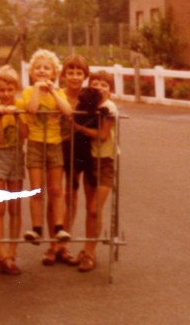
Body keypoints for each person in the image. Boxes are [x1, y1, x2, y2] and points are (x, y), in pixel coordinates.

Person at [19, 49, 73, 266]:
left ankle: (59, 228)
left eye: (46, 68)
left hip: (54, 144)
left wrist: (52, 93)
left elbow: (67, 111)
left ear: (53, 73)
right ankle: (37, 227)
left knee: (56, 189)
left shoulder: (57, 91)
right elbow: (31, 110)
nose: (42, 71)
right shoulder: (27, 92)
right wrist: (36, 91)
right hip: (35, 144)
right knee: (37, 189)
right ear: (32, 72)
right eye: (38, 68)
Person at [73, 70, 119, 273]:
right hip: (91, 161)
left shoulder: (108, 108)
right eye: (96, 83)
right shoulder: (90, 105)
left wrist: (77, 127)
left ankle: (91, 251)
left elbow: (102, 135)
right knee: (91, 210)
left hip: (105, 163)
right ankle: (87, 250)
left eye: (104, 85)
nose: (99, 87)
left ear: (110, 90)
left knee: (94, 208)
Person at [0, 65, 26, 275]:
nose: (5, 94)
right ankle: (1, 252)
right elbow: (0, 141)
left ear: (16, 90)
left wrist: (18, 114)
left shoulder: (21, 105)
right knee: (0, 207)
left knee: (15, 207)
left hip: (17, 156)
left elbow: (24, 136)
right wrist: (2, 117)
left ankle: (12, 252)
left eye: (9, 90)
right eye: (2, 90)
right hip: (1, 158)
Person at [57, 54, 90, 266]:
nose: (75, 77)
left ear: (85, 76)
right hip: (56, 145)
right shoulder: (57, 94)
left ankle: (64, 243)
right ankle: (53, 244)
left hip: (78, 148)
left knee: (72, 193)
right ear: (63, 74)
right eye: (71, 72)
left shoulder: (89, 97)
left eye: (79, 73)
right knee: (55, 194)